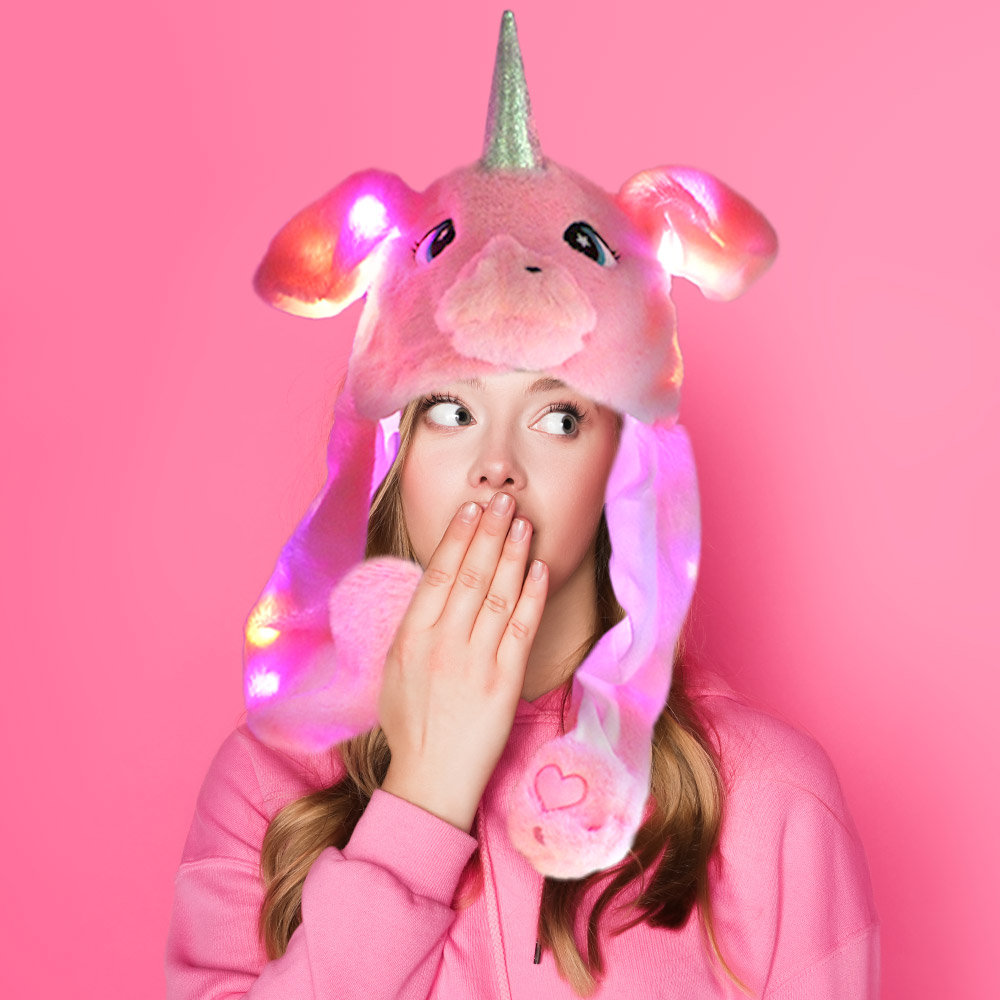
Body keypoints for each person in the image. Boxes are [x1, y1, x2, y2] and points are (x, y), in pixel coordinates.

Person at [166, 12, 880, 997]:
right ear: (394, 455)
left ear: (624, 464)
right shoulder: (265, 790)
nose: (496, 468)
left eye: (557, 417)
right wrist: (424, 799)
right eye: (451, 410)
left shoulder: (770, 802)